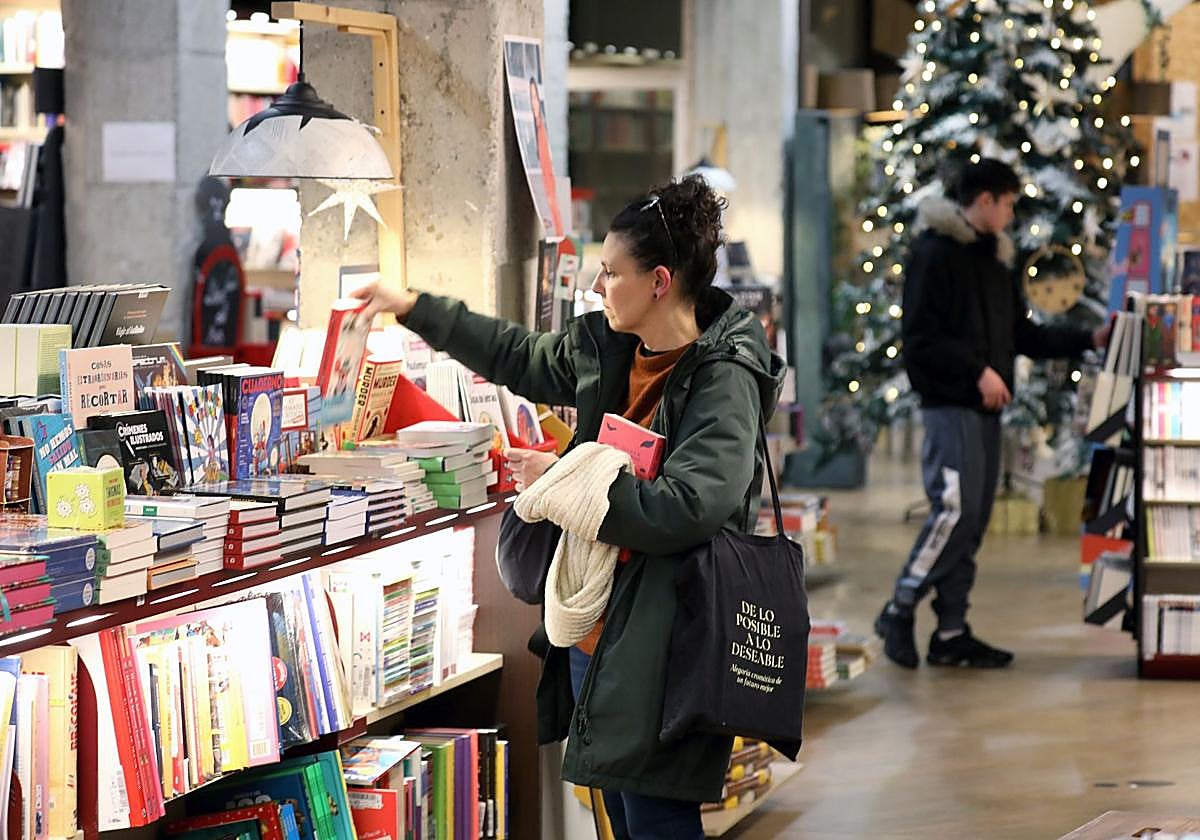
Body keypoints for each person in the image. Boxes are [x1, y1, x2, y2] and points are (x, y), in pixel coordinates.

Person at [353, 174, 784, 840]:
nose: (597, 287)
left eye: (611, 274)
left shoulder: (723, 376)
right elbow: (515, 354)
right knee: (621, 812)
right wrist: (410, 306)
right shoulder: (611, 348)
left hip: (670, 633)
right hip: (594, 626)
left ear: (660, 281)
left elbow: (691, 507)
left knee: (658, 818)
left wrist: (566, 475)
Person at [875, 158, 1111, 670]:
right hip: (950, 405)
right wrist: (977, 370)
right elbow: (920, 339)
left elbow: (1021, 335)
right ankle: (899, 607)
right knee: (954, 511)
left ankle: (951, 631)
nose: (1011, 213)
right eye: (1006, 203)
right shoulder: (933, 254)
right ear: (983, 200)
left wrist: (1087, 340)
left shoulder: (996, 261)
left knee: (974, 520)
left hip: (983, 412)